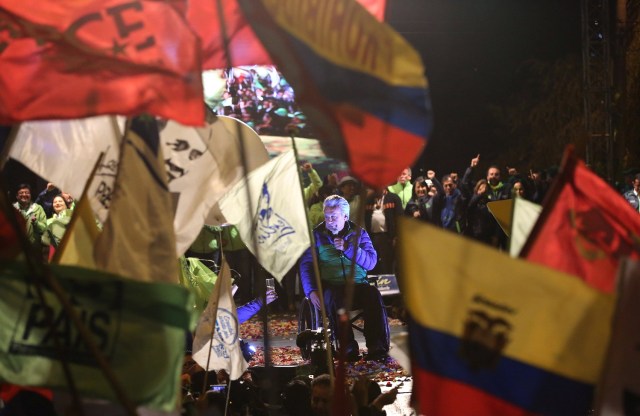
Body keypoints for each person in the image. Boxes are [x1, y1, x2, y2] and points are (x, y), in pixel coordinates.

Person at [300, 195, 390, 362]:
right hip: (331, 287)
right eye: (327, 217)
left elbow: (371, 262)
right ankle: (347, 346)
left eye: (334, 216)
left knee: (372, 294)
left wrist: (349, 248)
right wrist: (311, 290)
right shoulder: (316, 236)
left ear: (345, 217)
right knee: (337, 298)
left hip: (357, 285)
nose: (329, 221)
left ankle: (376, 345)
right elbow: (306, 266)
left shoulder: (359, 233)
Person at [364, 188, 403, 274]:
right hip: (372, 237)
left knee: (387, 265)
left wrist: (396, 236)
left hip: (387, 237)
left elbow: (400, 218)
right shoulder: (369, 199)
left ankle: (388, 285)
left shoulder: (393, 197)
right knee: (372, 265)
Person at [13, 184, 47, 250]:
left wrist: (36, 222)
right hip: (17, 248)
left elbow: (44, 229)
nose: (24, 195)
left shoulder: (38, 208)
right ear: (17, 196)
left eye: (27, 193)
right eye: (21, 193)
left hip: (35, 247)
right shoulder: (12, 209)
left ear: (30, 195)